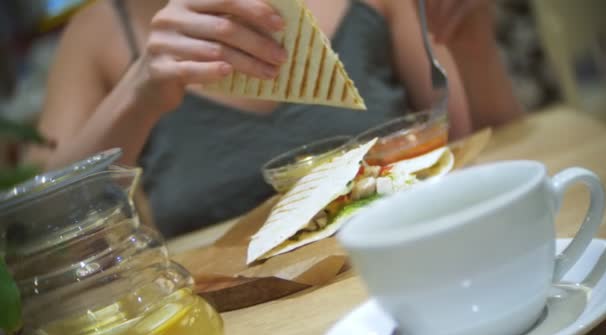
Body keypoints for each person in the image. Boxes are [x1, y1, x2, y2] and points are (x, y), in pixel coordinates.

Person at [25, 0, 523, 238]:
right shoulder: (99, 32)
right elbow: (33, 226)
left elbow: (483, 146)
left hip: (417, 254)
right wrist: (139, 91)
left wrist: (473, 43)